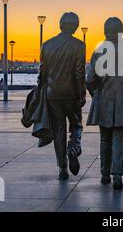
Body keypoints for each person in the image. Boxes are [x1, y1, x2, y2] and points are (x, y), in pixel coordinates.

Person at [86, 17, 123, 190]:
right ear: (122, 31)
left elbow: (90, 79)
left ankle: (104, 174)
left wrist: (96, 93)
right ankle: (117, 174)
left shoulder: (98, 52)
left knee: (105, 139)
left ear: (105, 31)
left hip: (104, 99)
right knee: (120, 139)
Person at [37, 12, 86, 180]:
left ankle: (62, 167)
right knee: (77, 125)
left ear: (60, 25)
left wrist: (40, 92)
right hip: (71, 94)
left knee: (59, 130)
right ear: (76, 26)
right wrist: (82, 93)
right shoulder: (79, 46)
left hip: (52, 94)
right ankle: (73, 148)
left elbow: (42, 72)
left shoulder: (47, 45)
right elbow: (79, 73)